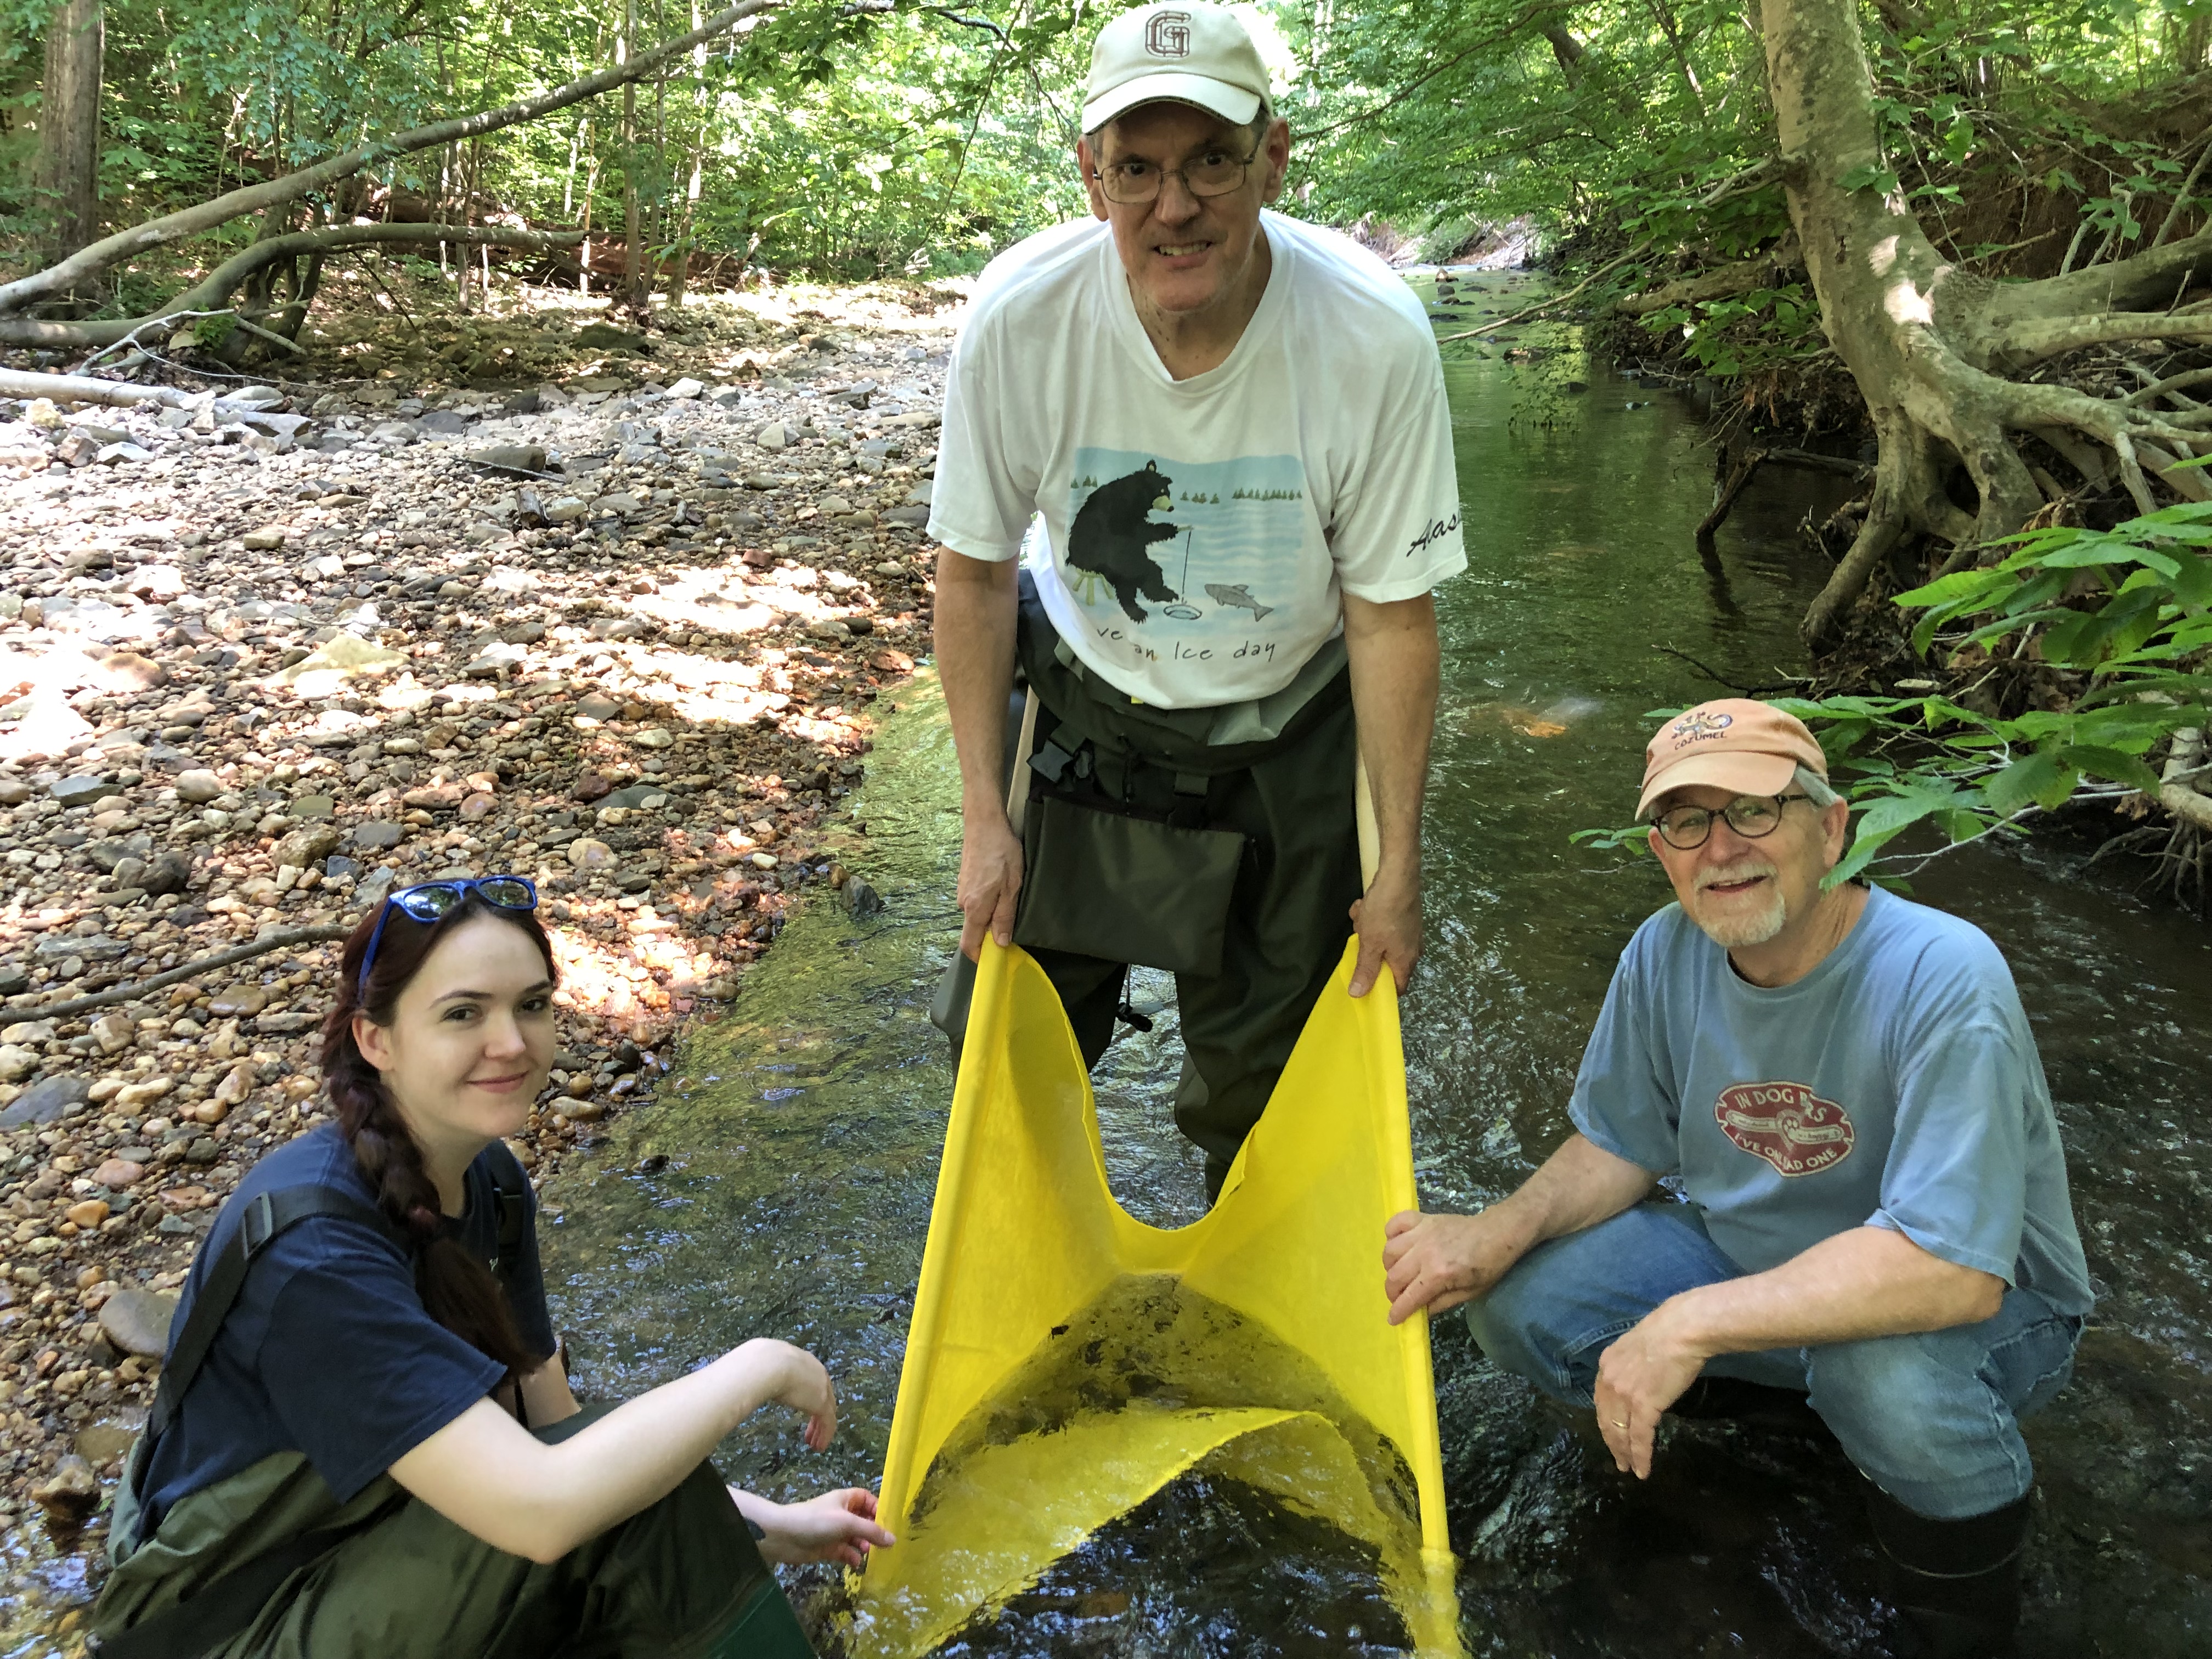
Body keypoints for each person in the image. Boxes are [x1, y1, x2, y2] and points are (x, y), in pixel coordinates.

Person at [1381, 699, 2092, 1658]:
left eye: (1755, 811)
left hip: (1994, 1302)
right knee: (1516, 1304)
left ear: (1831, 827)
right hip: (1752, 1254)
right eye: (1686, 821)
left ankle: (1962, 1619)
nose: (1721, 849)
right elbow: (1621, 1149)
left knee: (1869, 1365)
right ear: (1662, 852)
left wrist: (1686, 1325)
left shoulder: (1943, 974)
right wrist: (1501, 1228)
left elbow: (1950, 1272)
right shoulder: (1665, 952)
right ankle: (1801, 1423)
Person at [929, 1, 1465, 1198]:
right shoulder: (1021, 318)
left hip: (1294, 733)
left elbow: (1390, 616)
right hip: (1082, 720)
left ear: (1273, 158)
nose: (1175, 206)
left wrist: (1400, 869)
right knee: (1004, 1069)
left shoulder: (1372, 333)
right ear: (1091, 177)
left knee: (1267, 1106)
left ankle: (1252, 1278)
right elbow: (970, 573)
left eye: (1212, 160)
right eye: (1138, 169)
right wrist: (980, 817)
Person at [93, 876, 892, 1658]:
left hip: (369, 1556)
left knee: (638, 1467)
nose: (511, 1043)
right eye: (463, 1013)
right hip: (231, 1624)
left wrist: (774, 1527)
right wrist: (759, 1366)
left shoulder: (490, 1186)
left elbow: (556, 1433)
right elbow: (545, 1508)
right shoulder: (315, 1257)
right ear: (378, 1041)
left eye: (532, 1005)